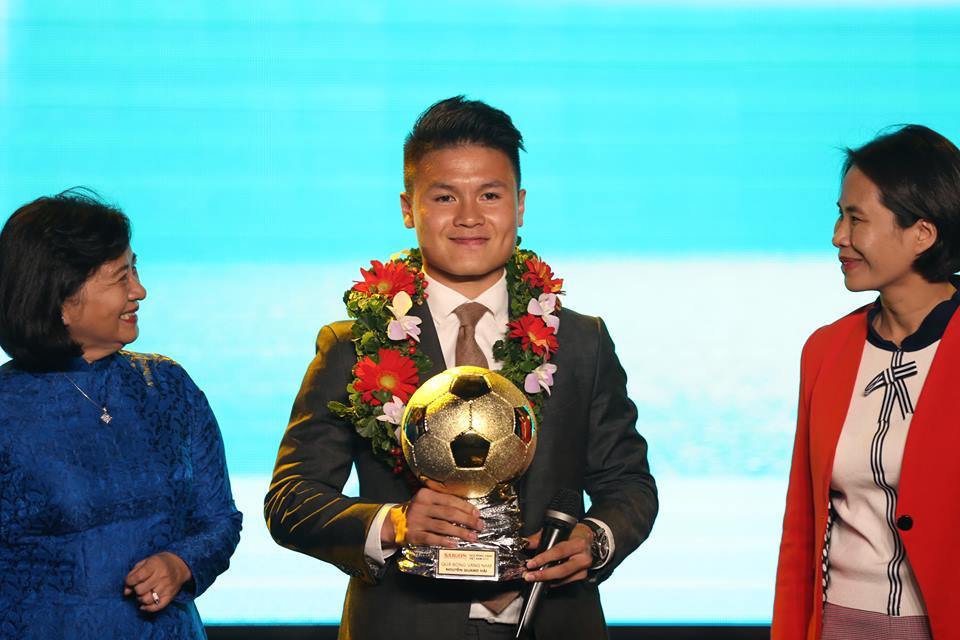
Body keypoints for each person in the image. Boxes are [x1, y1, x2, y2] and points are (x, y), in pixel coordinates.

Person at [264, 96, 658, 639]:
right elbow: (290, 500)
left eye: (490, 195)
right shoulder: (352, 345)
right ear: (408, 208)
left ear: (520, 205)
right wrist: (392, 523)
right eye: (445, 196)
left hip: (554, 619)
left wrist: (597, 539)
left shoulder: (581, 341)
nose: (469, 216)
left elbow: (629, 484)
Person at [0, 190, 242, 639]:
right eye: (120, 277)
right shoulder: (7, 409)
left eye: (135, 269)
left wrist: (181, 564)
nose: (139, 290)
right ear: (61, 298)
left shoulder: (168, 386)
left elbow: (220, 521)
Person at [773, 125, 960, 640]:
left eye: (857, 219)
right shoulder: (826, 349)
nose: (839, 236)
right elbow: (801, 528)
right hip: (837, 623)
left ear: (923, 234)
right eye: (840, 215)